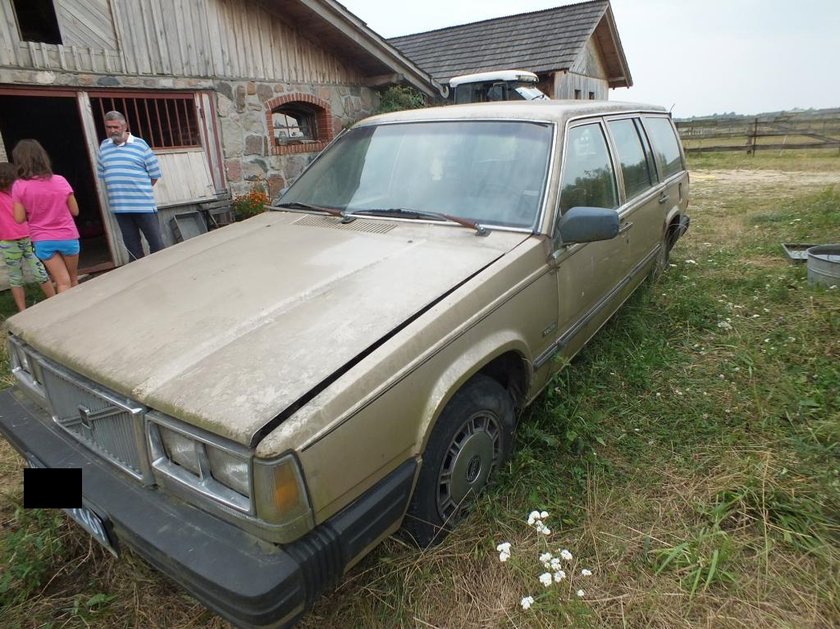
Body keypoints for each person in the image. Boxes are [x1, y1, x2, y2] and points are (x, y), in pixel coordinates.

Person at [11, 140, 80, 294]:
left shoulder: (19, 186)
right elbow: (75, 211)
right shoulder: (60, 180)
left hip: (42, 239)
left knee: (62, 282)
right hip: (67, 235)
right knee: (73, 279)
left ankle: (65, 315)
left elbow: (19, 218)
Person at [96, 110, 165, 261]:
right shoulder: (104, 147)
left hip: (143, 206)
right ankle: (140, 279)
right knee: (133, 249)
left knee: (157, 244)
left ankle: (163, 272)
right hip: (120, 208)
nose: (112, 130)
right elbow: (103, 174)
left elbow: (154, 174)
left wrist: (140, 190)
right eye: (109, 127)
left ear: (124, 126)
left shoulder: (140, 145)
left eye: (116, 126)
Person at [0, 162, 56, 310]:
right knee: (15, 276)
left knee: (40, 271)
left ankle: (55, 301)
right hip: (8, 241)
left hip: (28, 237)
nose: (6, 183)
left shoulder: (19, 192)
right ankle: (22, 310)